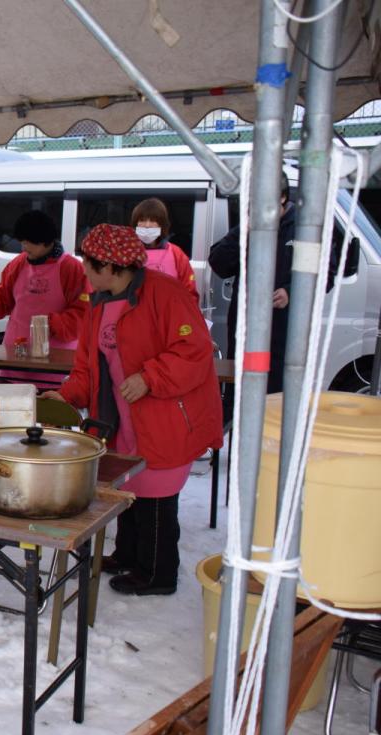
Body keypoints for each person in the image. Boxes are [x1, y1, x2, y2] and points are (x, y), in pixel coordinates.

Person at [43, 224, 222, 596]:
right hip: (119, 417)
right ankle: (128, 555)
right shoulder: (99, 302)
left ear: (110, 267)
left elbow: (195, 350)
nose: (85, 272)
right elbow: (88, 367)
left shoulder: (165, 293)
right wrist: (68, 396)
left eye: (89, 265)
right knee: (129, 489)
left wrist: (150, 377)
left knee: (156, 496)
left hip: (164, 417)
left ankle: (158, 573)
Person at [207, 178, 350, 395]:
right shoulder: (248, 228)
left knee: (278, 395)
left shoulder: (303, 229)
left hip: (285, 331)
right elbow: (219, 263)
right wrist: (244, 231)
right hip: (247, 329)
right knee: (244, 390)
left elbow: (321, 276)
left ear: (282, 197)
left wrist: (290, 293)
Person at [0, 210, 88, 386]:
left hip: (55, 363)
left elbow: (83, 312)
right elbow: (3, 294)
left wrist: (51, 323)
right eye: (21, 242)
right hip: (15, 357)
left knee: (49, 412)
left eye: (27, 243)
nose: (23, 248)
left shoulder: (72, 269)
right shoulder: (18, 264)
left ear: (44, 241)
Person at [130, 197, 199, 302]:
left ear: (162, 224)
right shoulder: (127, 253)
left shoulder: (176, 253)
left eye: (153, 220)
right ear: (135, 224)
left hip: (169, 313)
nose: (147, 225)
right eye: (142, 220)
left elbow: (189, 291)